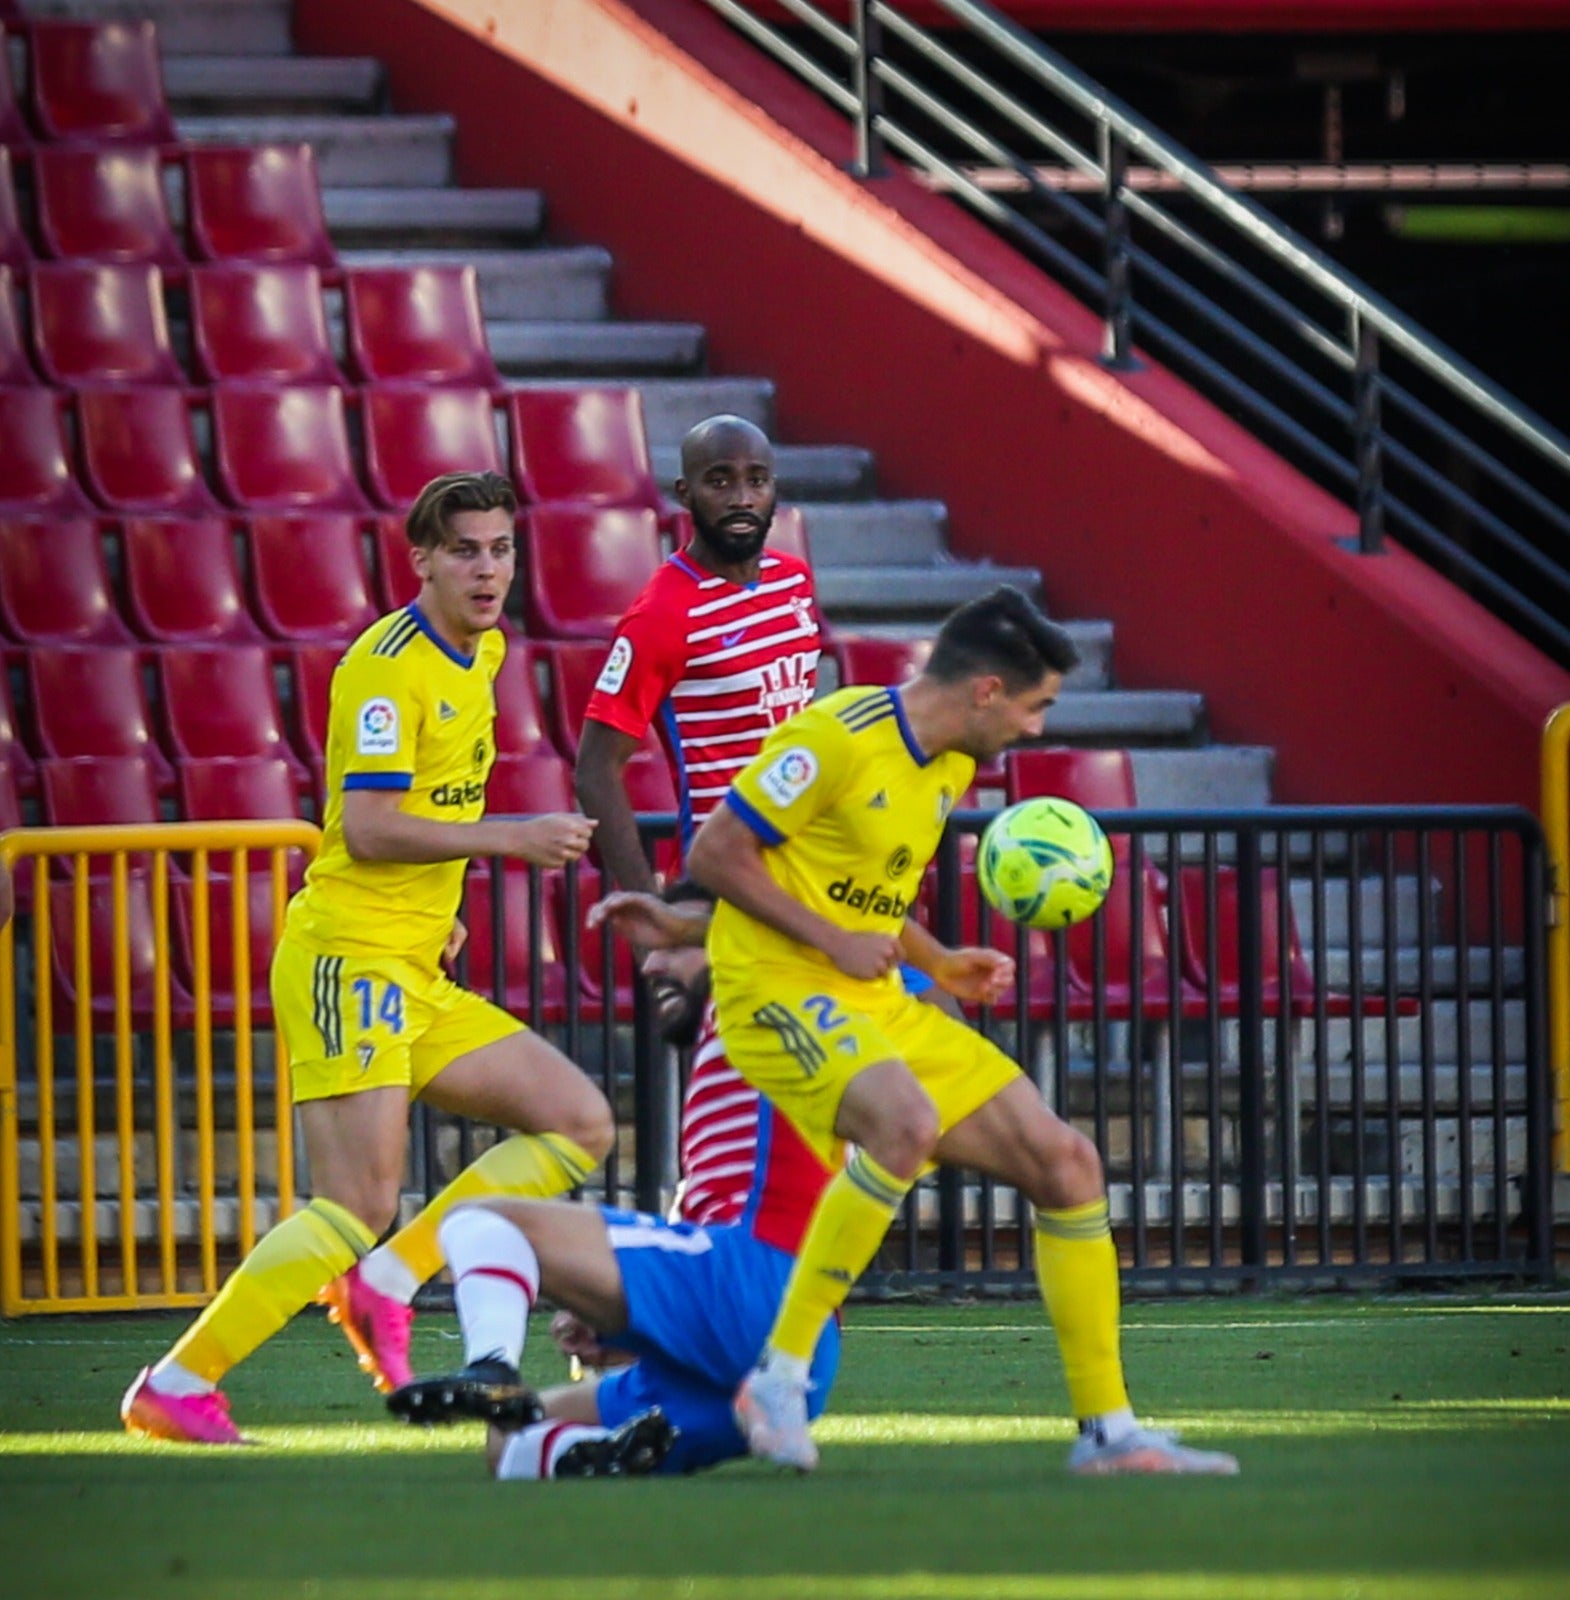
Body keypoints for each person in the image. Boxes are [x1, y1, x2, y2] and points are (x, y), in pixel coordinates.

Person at [686, 584, 1240, 1477]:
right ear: (986, 691)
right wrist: (833, 940)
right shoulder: (834, 737)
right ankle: (777, 1380)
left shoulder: (945, 765)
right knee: (903, 1127)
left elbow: (863, 891)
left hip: (874, 1001)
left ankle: (1109, 1433)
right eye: (1034, 707)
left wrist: (937, 959)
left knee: (1067, 1163)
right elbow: (714, 852)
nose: (1034, 730)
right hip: (773, 991)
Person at [122, 470, 614, 1444]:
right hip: (347, 959)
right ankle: (176, 1383)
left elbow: (418, 819)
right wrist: (507, 840)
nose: (487, 569)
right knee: (354, 1200)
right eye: (465, 550)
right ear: (421, 558)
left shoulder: (485, 651)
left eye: (501, 549)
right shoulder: (385, 667)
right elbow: (373, 826)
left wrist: (441, 912)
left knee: (578, 1120)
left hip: (411, 964)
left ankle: (389, 1277)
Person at [386, 890, 843, 1481]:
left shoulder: (765, 994)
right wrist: (629, 1324)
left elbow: (787, 922)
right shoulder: (732, 1059)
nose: (650, 963)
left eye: (675, 946)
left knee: (481, 1222)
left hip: (754, 1281)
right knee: (509, 1446)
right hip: (799, 1363)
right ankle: (601, 1455)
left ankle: (492, 1367)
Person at [574, 413, 820, 1039]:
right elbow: (595, 769)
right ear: (684, 495)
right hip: (730, 885)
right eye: (720, 481)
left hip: (817, 872)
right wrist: (653, 913)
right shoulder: (662, 613)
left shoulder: (794, 581)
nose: (741, 499)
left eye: (756, 481)